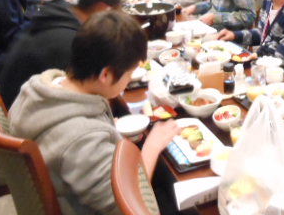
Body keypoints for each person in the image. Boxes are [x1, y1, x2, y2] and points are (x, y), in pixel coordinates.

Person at [9, 11, 180, 215]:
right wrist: (152, 147)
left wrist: (107, 127)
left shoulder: (39, 88)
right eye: (129, 74)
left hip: (67, 188)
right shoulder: (83, 139)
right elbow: (127, 207)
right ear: (105, 75)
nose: (129, 80)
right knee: (173, 196)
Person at [0, 0, 125, 108]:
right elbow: (79, 93)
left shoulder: (61, 12)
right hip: (21, 108)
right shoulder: (71, 42)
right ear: (102, 8)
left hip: (13, 93)